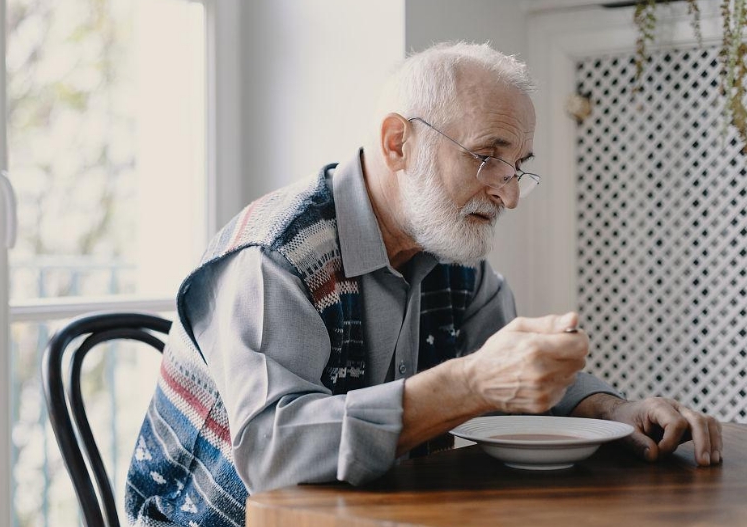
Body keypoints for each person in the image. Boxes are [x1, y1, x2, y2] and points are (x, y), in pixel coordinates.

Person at [125, 42, 723, 527]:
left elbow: (521, 372)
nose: (509, 193)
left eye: (518, 167)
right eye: (488, 156)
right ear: (397, 142)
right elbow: (273, 455)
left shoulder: (451, 247)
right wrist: (469, 382)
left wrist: (616, 410)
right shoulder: (274, 256)